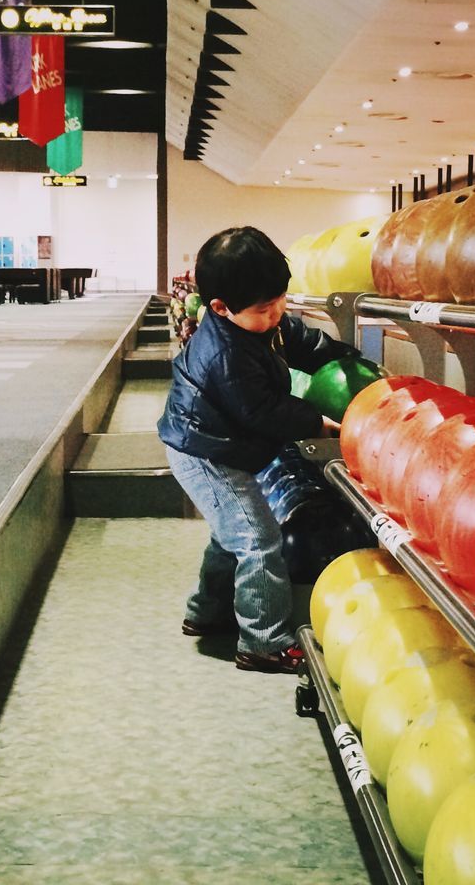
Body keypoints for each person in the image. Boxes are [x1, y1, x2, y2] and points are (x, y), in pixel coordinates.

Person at [158, 226, 358, 673]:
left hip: (215, 445)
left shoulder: (260, 321)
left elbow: (303, 343)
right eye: (265, 308)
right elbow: (262, 410)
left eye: (280, 301)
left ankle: (207, 612)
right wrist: (316, 422)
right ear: (219, 308)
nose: (277, 314)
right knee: (259, 540)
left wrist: (345, 362)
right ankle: (263, 642)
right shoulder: (225, 353)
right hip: (205, 453)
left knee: (230, 535)